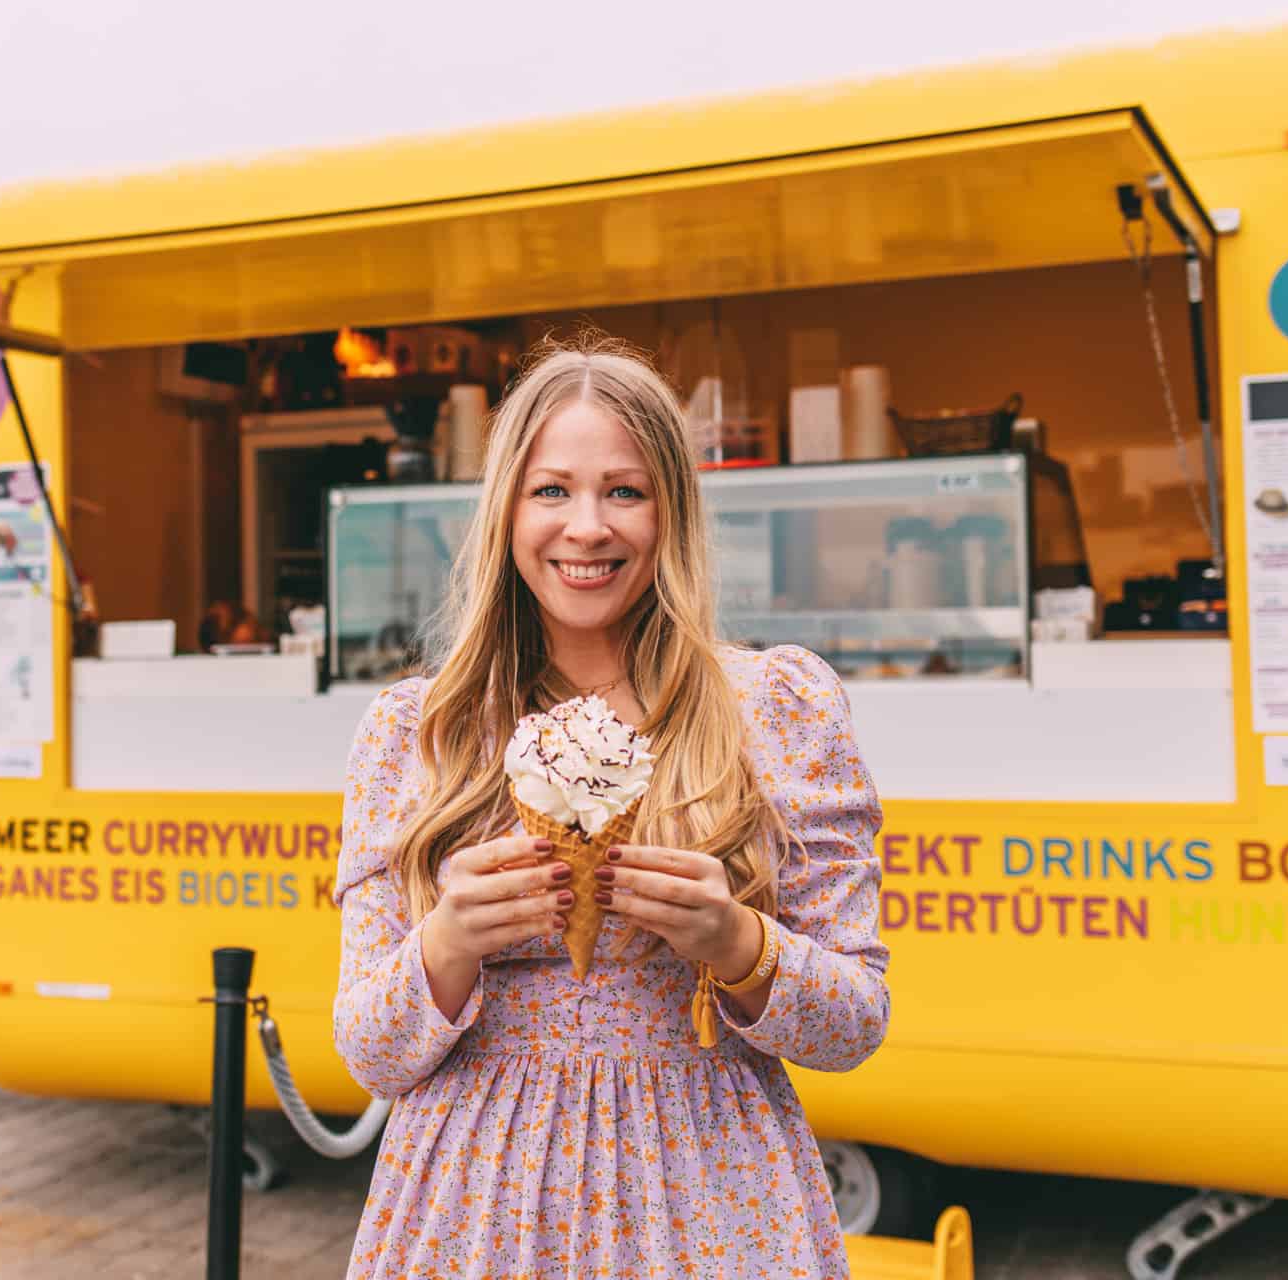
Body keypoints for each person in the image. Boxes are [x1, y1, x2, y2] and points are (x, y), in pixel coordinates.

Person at [332, 335, 889, 1278]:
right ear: (505, 509)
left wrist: (738, 945)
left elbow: (854, 1026)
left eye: (624, 491)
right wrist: (448, 942)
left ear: (671, 512)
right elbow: (370, 1055)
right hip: (475, 1202)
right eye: (552, 490)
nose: (586, 526)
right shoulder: (417, 731)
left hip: (712, 1195)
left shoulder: (778, 708)